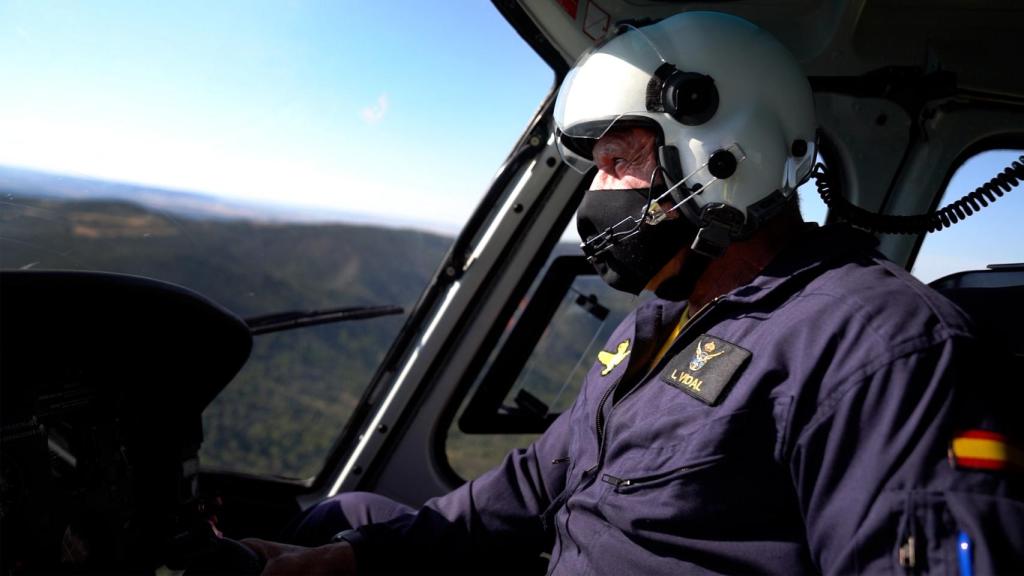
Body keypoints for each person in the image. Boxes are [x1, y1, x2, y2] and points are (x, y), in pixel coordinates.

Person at [241, 11, 1023, 575]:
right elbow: (535, 482)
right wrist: (357, 559)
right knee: (347, 520)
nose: (598, 193)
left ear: (724, 154)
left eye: (620, 160)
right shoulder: (659, 323)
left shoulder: (879, 345)